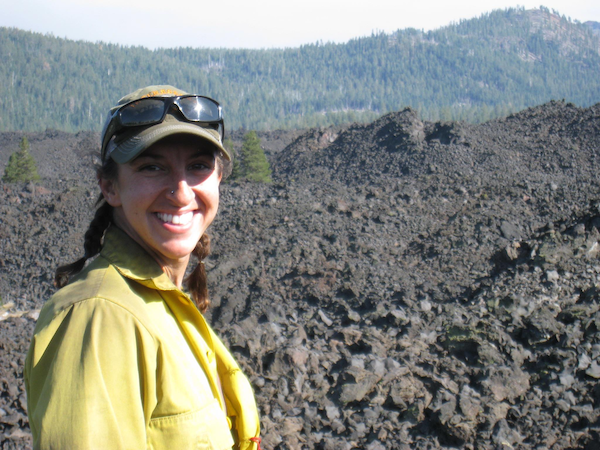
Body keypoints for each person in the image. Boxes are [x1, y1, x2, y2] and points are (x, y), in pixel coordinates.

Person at [24, 85, 261, 450]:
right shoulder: (101, 318)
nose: (181, 192)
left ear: (218, 178)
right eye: (152, 167)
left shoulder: (158, 302)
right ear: (109, 187)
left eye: (198, 166)